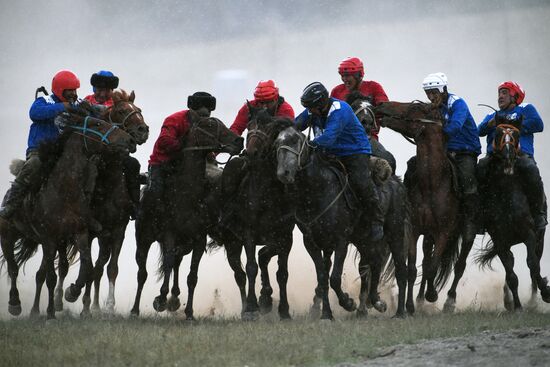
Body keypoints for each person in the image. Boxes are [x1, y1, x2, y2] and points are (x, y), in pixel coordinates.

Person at [295, 81, 384, 241]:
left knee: (360, 182)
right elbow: (295, 125)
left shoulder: (339, 110)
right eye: (307, 107)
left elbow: (328, 138)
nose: (309, 111)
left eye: (311, 107)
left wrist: (309, 144)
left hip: (354, 151)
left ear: (321, 103)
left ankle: (376, 220)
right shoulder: (312, 111)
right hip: (328, 152)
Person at [405, 72, 481, 239]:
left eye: (434, 92)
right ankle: (406, 205)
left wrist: (437, 135)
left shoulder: (458, 103)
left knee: (468, 180)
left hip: (465, 151)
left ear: (443, 90)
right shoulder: (433, 108)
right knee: (413, 164)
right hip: (444, 151)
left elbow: (455, 125)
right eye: (428, 93)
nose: (431, 97)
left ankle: (471, 221)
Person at [0, 70, 80, 221]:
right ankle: (11, 203)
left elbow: (93, 113)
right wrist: (62, 107)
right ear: (60, 90)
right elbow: (34, 113)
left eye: (75, 90)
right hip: (40, 151)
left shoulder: (77, 104)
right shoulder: (44, 101)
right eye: (70, 90)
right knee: (34, 165)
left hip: (65, 153)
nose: (74, 94)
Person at [477, 81, 547, 229]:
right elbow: (479, 131)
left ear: (515, 96)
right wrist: (490, 124)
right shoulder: (492, 114)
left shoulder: (525, 108)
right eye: (499, 93)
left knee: (531, 169)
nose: (500, 96)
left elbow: (538, 124)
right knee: (480, 168)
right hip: (495, 157)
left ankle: (538, 213)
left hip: (520, 155)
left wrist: (514, 124)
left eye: (504, 93)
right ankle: (479, 215)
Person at [84, 69, 141, 220]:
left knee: (133, 165)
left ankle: (134, 205)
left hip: (115, 154)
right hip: (92, 152)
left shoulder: (119, 107)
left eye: (107, 90)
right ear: (94, 89)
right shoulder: (85, 102)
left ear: (112, 90)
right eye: (99, 90)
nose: (102, 94)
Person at [145, 92, 216, 212]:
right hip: (163, 163)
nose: (203, 119)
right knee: (155, 192)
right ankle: (147, 219)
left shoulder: (211, 124)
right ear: (191, 110)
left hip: (193, 165)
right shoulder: (174, 119)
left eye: (206, 115)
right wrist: (185, 146)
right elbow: (164, 140)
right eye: (200, 115)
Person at [330, 57, 389, 140]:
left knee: (384, 153)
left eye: (347, 76)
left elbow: (385, 108)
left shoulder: (374, 87)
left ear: (358, 75)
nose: (344, 79)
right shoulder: (337, 91)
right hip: (341, 139)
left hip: (368, 138)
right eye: (342, 76)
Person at [230, 79, 295, 136]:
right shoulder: (248, 108)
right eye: (261, 102)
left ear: (276, 100)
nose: (264, 106)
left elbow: (287, 136)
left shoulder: (286, 110)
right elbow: (236, 128)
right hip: (254, 146)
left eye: (268, 102)